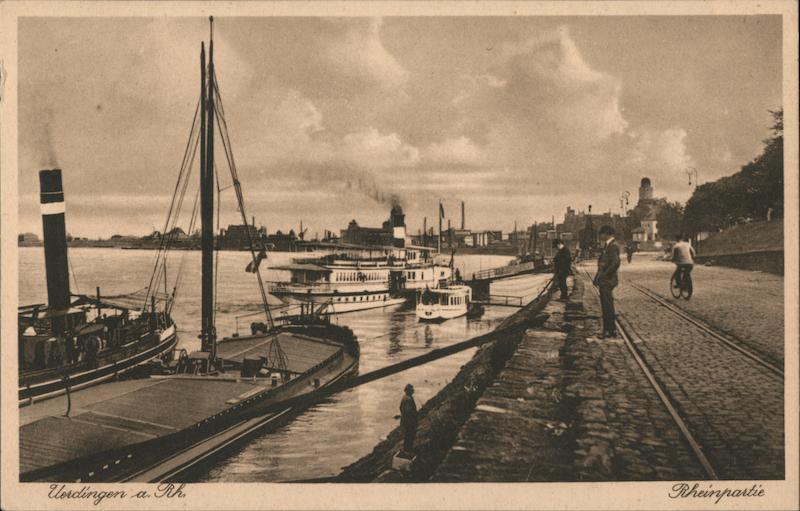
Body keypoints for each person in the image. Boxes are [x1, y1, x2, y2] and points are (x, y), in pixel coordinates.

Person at [593, 225, 620, 338]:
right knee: (607, 305)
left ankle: (608, 331)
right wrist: (596, 277)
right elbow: (603, 264)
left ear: (606, 234)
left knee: (607, 306)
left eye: (602, 234)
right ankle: (610, 330)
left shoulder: (612, 246)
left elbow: (615, 263)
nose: (600, 236)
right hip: (605, 280)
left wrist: (604, 275)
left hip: (607, 281)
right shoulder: (608, 245)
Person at [399, 383, 418, 456]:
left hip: (406, 421)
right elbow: (408, 412)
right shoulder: (408, 399)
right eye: (411, 389)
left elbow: (400, 408)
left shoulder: (405, 397)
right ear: (408, 390)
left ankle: (407, 451)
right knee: (409, 437)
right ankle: (408, 452)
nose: (413, 390)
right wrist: (412, 420)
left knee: (407, 437)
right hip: (409, 422)